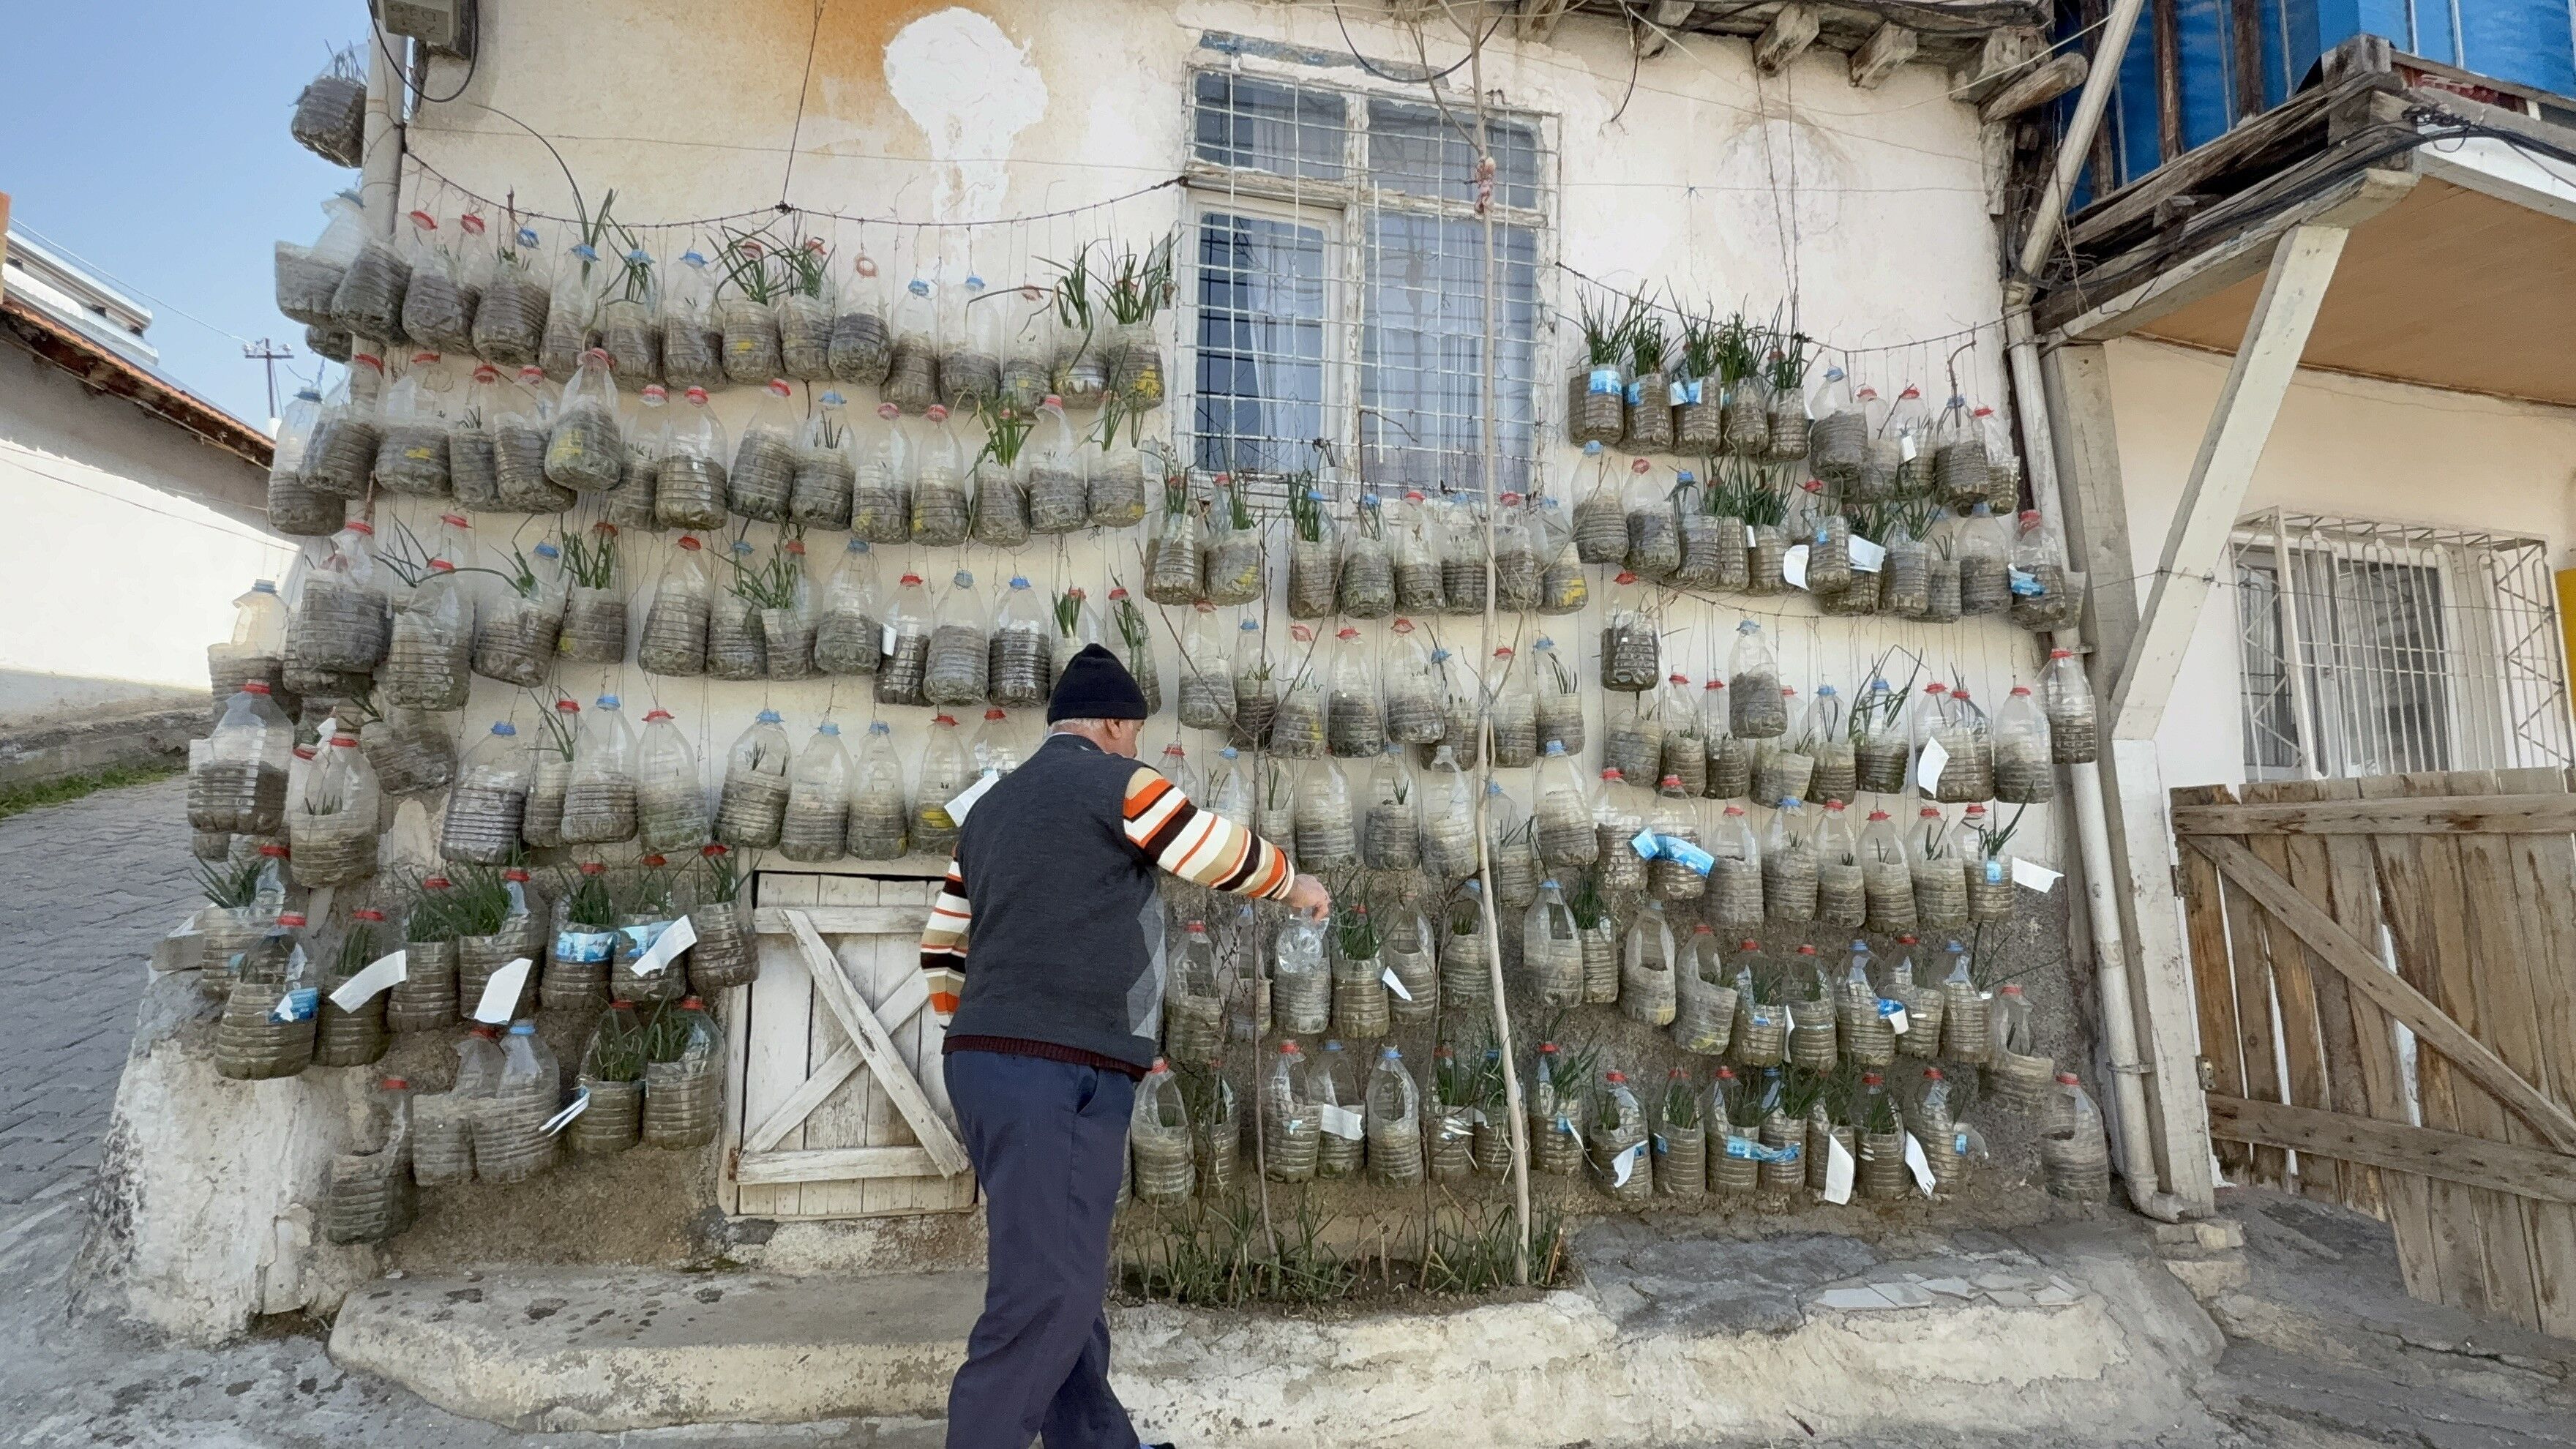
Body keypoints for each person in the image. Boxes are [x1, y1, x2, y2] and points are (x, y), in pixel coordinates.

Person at [919, 643, 1327, 1449]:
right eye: (1135, 731)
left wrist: (981, 1037)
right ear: (1112, 724)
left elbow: (941, 947)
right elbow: (1205, 846)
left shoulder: (989, 811)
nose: (1138, 745)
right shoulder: (1119, 784)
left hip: (989, 1062)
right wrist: (1293, 883)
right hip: (1059, 1064)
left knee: (1062, 1275)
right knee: (1045, 1293)